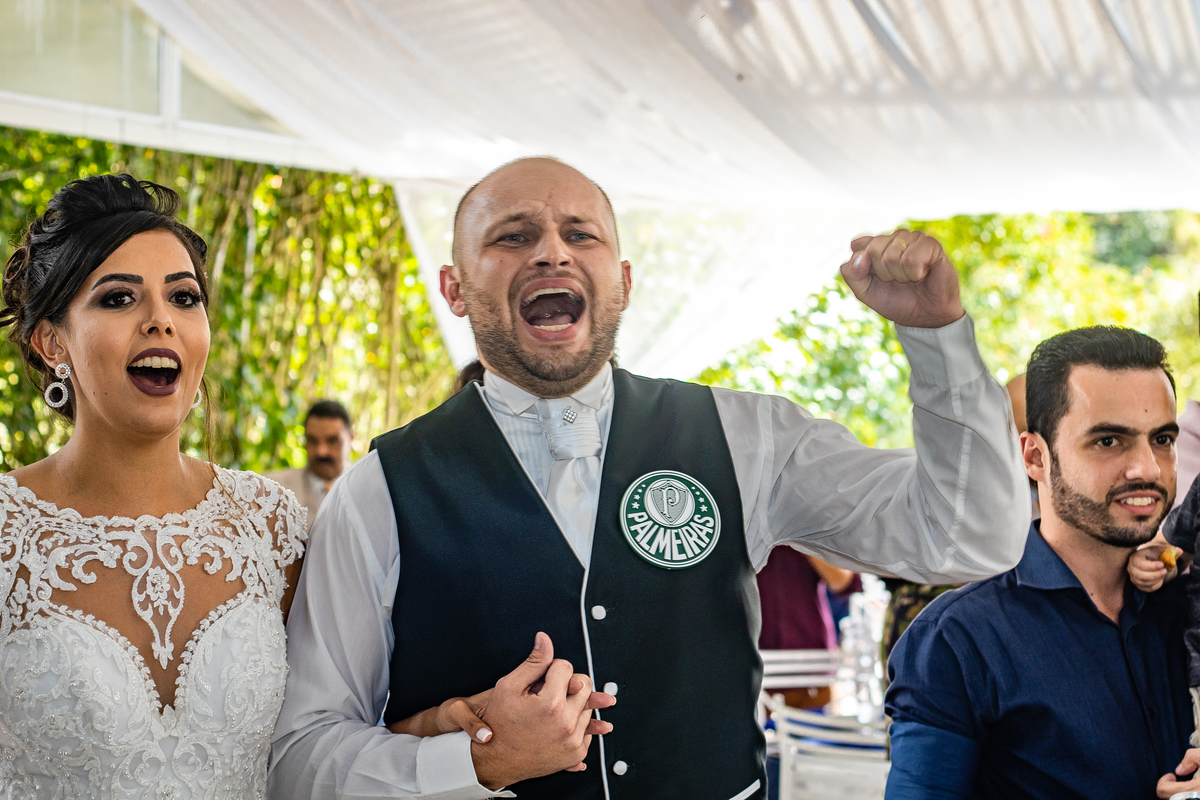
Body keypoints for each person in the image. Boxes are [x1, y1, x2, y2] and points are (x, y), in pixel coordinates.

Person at [268, 156, 1029, 800]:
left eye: (581, 234)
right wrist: (473, 761)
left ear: (623, 279)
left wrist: (938, 343)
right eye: (513, 236)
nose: (552, 254)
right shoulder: (379, 491)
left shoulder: (746, 435)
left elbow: (967, 538)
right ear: (455, 288)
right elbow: (300, 758)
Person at [0, 174, 307, 797]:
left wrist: (441, 730)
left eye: (184, 298)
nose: (161, 322)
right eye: (118, 299)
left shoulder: (273, 527)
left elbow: (326, 736)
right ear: (51, 341)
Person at [886, 326, 1194, 800]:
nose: (1148, 469)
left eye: (1162, 439)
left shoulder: (1185, 605)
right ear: (1034, 456)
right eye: (1109, 441)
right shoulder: (958, 639)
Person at [757, 548, 860, 709]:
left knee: (817, 729)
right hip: (755, 673)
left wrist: (801, 538)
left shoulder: (810, 525)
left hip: (813, 670)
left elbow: (844, 583)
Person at [268, 399, 353, 530]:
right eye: (313, 441)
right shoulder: (273, 489)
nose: (321, 451)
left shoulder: (367, 487)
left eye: (332, 441)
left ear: (351, 438)